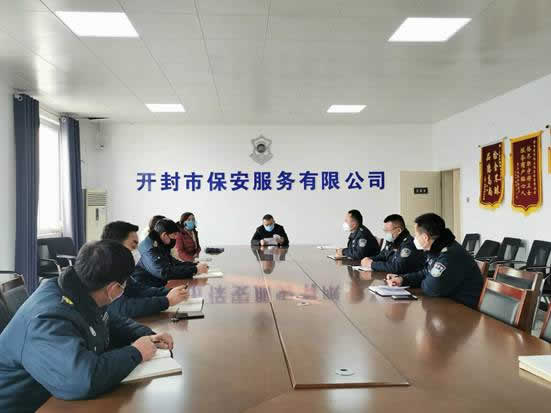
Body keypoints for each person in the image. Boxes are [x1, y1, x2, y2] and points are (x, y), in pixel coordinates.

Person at [0, 240, 174, 413]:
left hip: (52, 395)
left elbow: (111, 321)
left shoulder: (82, 290)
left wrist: (146, 336)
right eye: (125, 284)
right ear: (113, 288)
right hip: (27, 406)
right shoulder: (47, 318)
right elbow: (81, 380)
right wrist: (136, 352)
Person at [387, 213, 483, 308]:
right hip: (447, 303)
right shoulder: (437, 249)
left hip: (463, 308)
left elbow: (432, 288)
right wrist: (403, 279)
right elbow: (426, 272)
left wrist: (426, 280)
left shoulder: (449, 254)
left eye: (416, 235)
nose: (414, 239)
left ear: (425, 237)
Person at [101, 221, 190, 318]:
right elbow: (124, 307)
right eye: (133, 246)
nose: (136, 251)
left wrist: (171, 292)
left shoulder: (120, 268)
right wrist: (167, 301)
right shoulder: (103, 269)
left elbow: (140, 290)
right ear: (115, 246)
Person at [133, 218, 209, 288]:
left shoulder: (160, 244)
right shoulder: (150, 249)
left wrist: (195, 265)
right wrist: (195, 269)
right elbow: (164, 272)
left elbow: (173, 263)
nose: (176, 238)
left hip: (155, 286)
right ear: (164, 235)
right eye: (174, 235)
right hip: (143, 288)